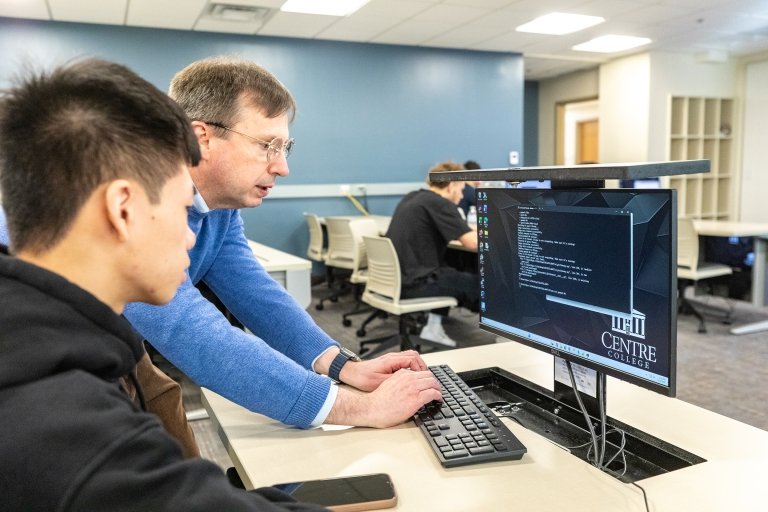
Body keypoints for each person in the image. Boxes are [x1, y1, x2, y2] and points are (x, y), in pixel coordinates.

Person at [0, 58, 326, 511]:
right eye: (180, 209)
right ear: (122, 211)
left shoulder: (44, 324)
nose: (191, 235)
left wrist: (338, 365)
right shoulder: (59, 416)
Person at [122, 56, 441, 429]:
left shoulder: (219, 207)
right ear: (201, 138)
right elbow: (189, 329)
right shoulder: (135, 197)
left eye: (284, 148)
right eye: (266, 145)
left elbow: (256, 293)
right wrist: (356, 408)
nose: (281, 167)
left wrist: (344, 367)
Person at [386, 161, 479, 347]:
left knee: (449, 267)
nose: (462, 195)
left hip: (397, 279)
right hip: (415, 283)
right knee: (482, 285)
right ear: (452, 185)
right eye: (461, 189)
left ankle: (433, 327)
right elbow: (473, 243)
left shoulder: (413, 197)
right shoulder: (440, 204)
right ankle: (506, 339)